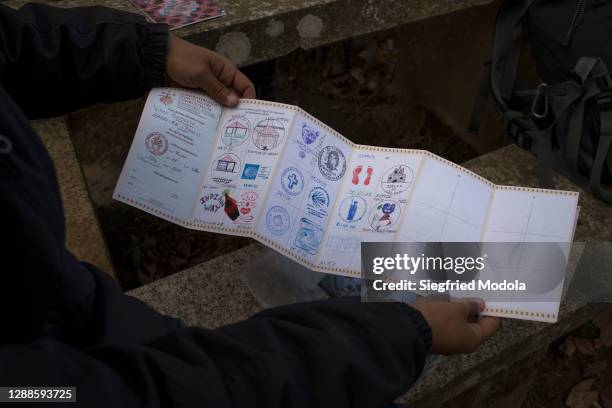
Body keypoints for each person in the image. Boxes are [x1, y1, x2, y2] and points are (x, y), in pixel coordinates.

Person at [0, 3, 501, 407]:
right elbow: (185, 391)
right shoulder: (33, 385)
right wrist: (401, 334)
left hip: (57, 292)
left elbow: (12, 41)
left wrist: (150, 50)